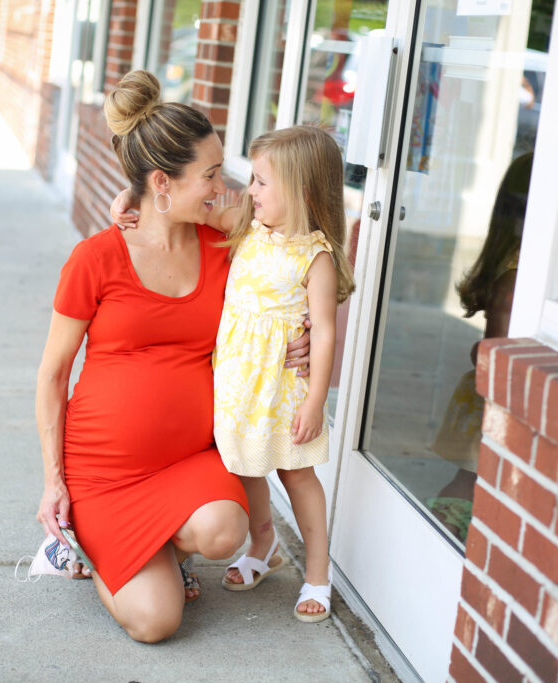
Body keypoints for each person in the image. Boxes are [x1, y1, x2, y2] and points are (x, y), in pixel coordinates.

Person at [35, 70, 309, 643]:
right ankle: (88, 545)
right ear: (162, 182)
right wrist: (52, 482)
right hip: (105, 473)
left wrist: (301, 334)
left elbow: (299, 270)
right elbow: (53, 375)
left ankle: (168, 551)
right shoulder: (96, 258)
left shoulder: (226, 248)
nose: (225, 186)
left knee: (222, 530)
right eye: (210, 175)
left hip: (189, 462)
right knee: (156, 624)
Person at [115, 126, 354, 622]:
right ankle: (263, 544)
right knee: (244, 465)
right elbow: (188, 205)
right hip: (236, 385)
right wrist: (128, 197)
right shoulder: (246, 226)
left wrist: (314, 403)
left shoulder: (315, 257)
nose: (251, 191)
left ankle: (317, 573)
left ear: (303, 190)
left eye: (262, 182)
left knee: (296, 474)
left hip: (284, 391)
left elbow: (325, 334)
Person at [427, 152, 533, 541]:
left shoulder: (511, 255)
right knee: (470, 482)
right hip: (491, 399)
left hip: (483, 393)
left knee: (473, 481)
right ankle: (438, 536)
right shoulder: (519, 273)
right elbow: (497, 347)